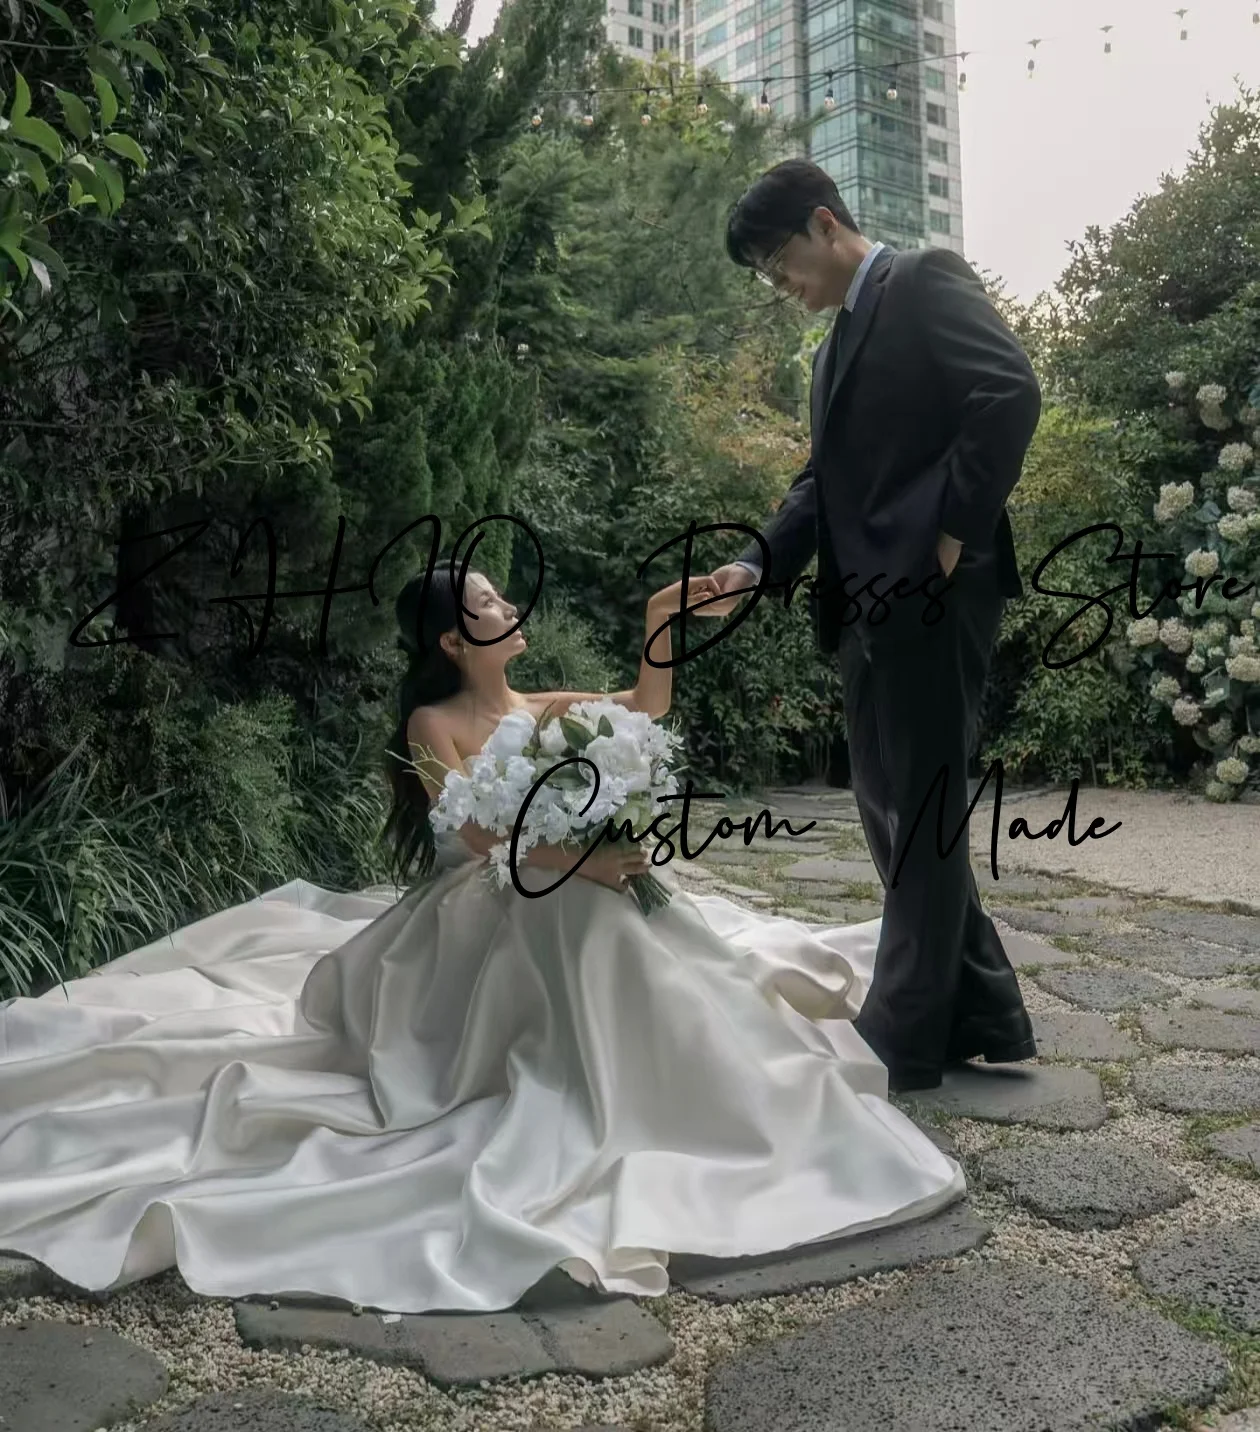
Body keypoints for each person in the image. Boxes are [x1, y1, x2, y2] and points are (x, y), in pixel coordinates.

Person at [0, 562, 963, 1316]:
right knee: (582, 915)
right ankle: (610, 1093)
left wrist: (662, 620)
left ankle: (678, 1087)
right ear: (459, 640)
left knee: (603, 919)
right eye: (490, 600)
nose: (509, 605)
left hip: (560, 886)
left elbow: (645, 709)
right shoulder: (433, 719)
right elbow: (476, 838)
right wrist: (582, 862)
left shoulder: (533, 707)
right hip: (481, 906)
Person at [701, 159, 1042, 1093]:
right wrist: (755, 563)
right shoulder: (831, 349)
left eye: (780, 266)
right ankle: (981, 1009)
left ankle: (903, 1037)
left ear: (824, 224)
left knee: (920, 808)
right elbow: (823, 483)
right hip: (863, 607)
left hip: (933, 594)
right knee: (889, 805)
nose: (781, 288)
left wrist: (952, 535)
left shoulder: (923, 279)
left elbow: (1008, 392)